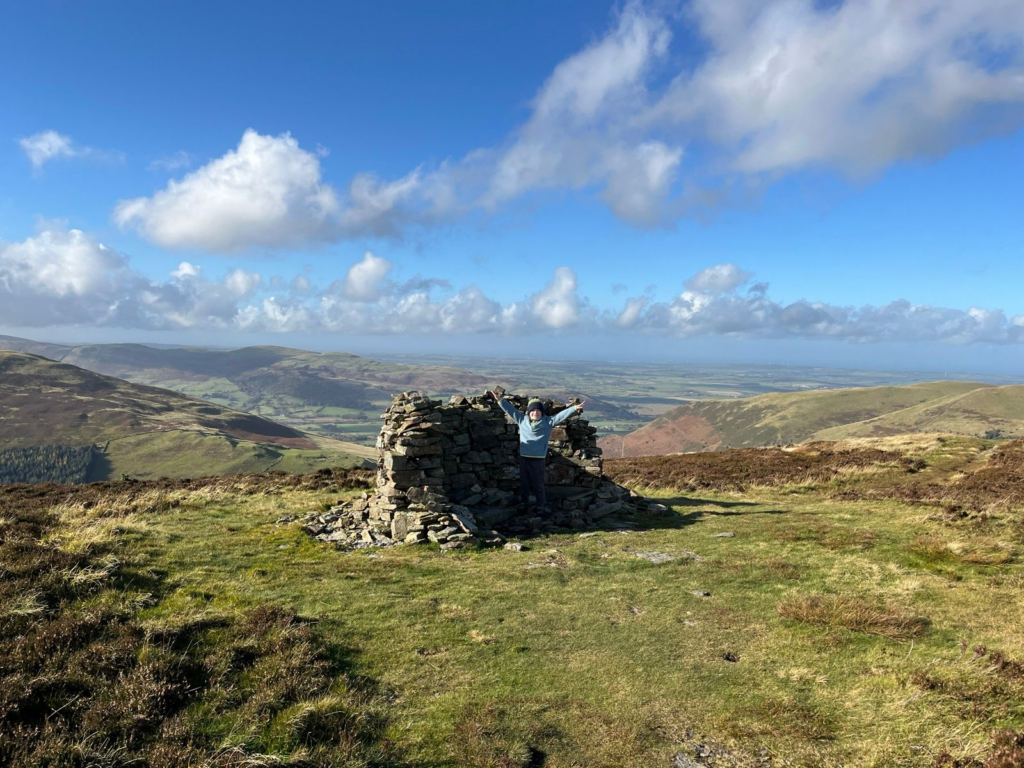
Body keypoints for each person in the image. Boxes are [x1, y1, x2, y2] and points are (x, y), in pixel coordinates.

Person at [487, 391, 585, 515]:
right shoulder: (522, 419)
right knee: (524, 484)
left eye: (538, 411)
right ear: (529, 412)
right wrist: (500, 400)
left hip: (538, 459)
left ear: (542, 412)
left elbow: (560, 416)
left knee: (538, 484)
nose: (535, 413)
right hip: (524, 458)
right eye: (533, 411)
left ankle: (540, 506)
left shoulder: (547, 422)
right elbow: (510, 410)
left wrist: (574, 408)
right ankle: (525, 504)